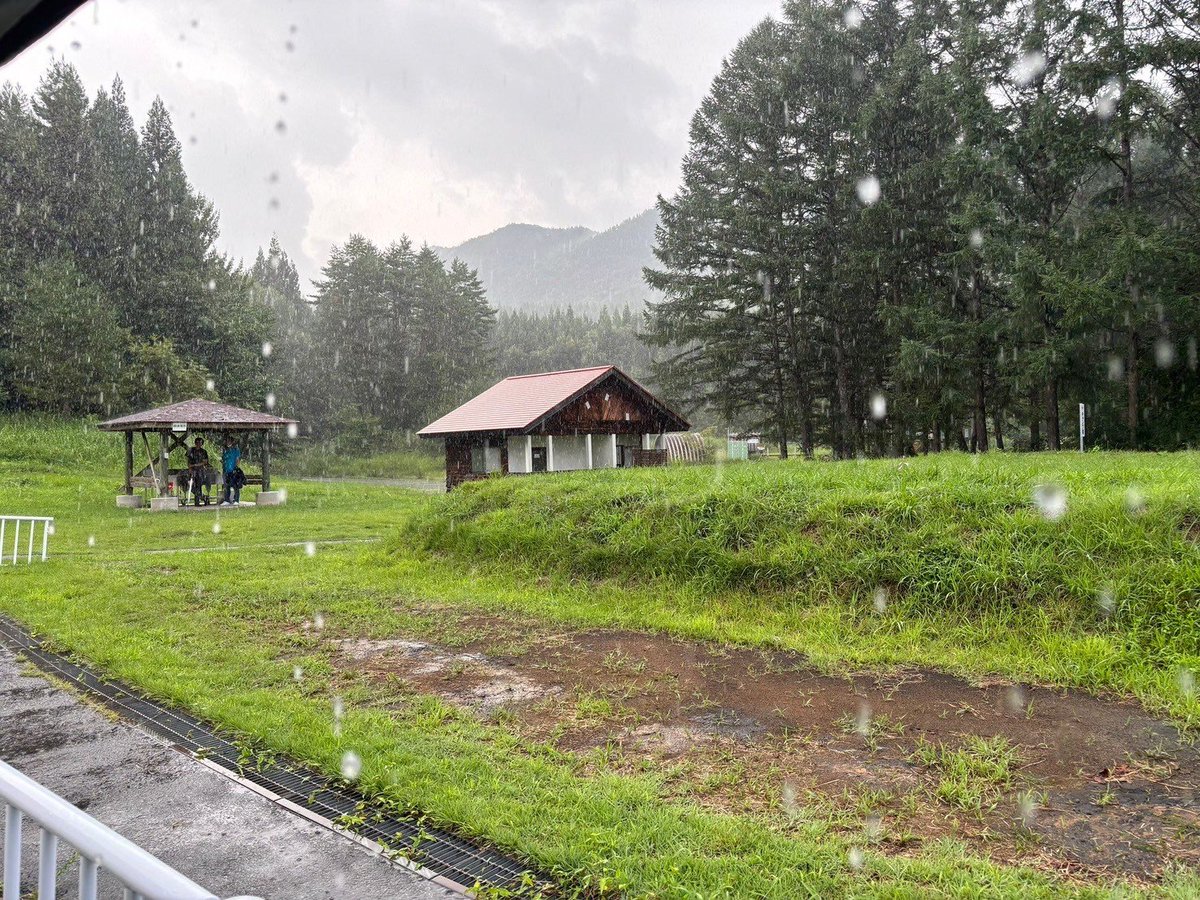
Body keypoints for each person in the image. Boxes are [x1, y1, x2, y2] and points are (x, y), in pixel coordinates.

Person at [185, 436, 213, 506]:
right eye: (197, 442)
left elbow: (204, 462)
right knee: (189, 486)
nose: (198, 444)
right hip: (192, 471)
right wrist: (190, 468)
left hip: (200, 471)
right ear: (195, 443)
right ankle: (203, 497)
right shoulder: (191, 450)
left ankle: (197, 502)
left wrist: (194, 465)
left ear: (201, 444)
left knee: (198, 486)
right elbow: (188, 461)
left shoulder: (203, 452)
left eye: (200, 443)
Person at [220, 435, 243, 505]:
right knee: (226, 486)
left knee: (235, 485)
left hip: (233, 470)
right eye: (226, 441)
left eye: (229, 441)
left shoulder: (236, 450)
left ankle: (236, 500)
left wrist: (236, 468)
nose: (227, 442)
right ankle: (227, 500)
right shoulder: (225, 450)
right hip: (226, 471)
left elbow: (237, 460)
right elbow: (224, 460)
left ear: (232, 442)